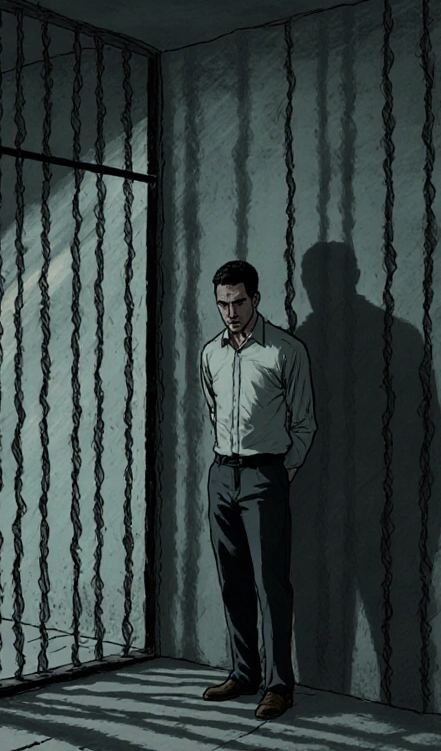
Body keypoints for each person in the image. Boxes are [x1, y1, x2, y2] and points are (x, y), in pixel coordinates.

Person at [198, 259, 316, 721]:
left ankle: (279, 685)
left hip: (266, 476)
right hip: (221, 474)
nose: (230, 311)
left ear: (256, 299)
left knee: (271, 585)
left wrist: (278, 474)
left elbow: (304, 423)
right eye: (223, 303)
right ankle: (244, 673)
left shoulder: (285, 351)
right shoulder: (211, 353)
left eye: (239, 301)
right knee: (233, 582)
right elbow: (213, 409)